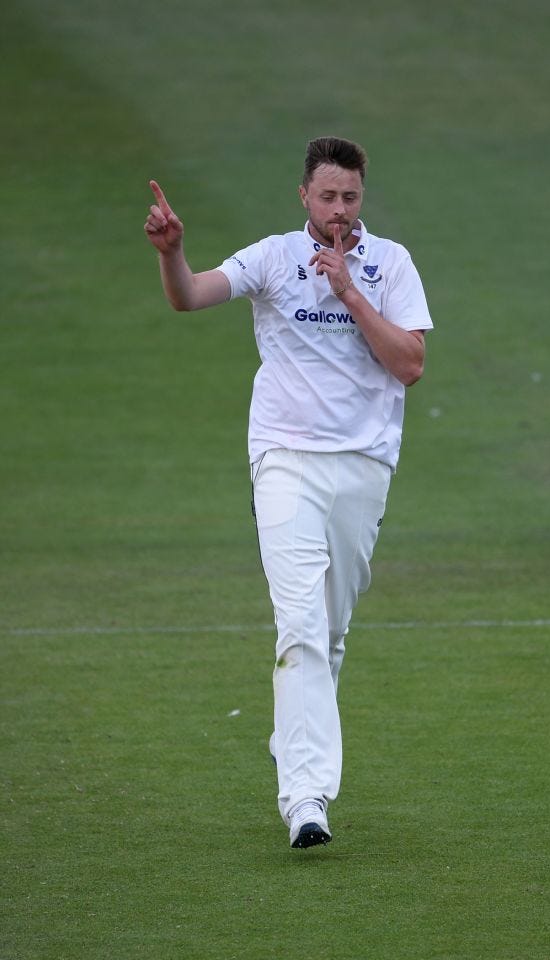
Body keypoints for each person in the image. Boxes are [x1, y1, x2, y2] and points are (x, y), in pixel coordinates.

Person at [144, 137, 433, 849]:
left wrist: (348, 291)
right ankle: (306, 798)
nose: (340, 211)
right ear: (303, 196)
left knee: (329, 634)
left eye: (351, 198)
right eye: (328, 196)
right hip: (285, 463)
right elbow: (190, 297)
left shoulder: (388, 264)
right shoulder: (272, 257)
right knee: (299, 624)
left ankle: (291, 734)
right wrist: (170, 253)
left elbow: (410, 364)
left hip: (363, 466)